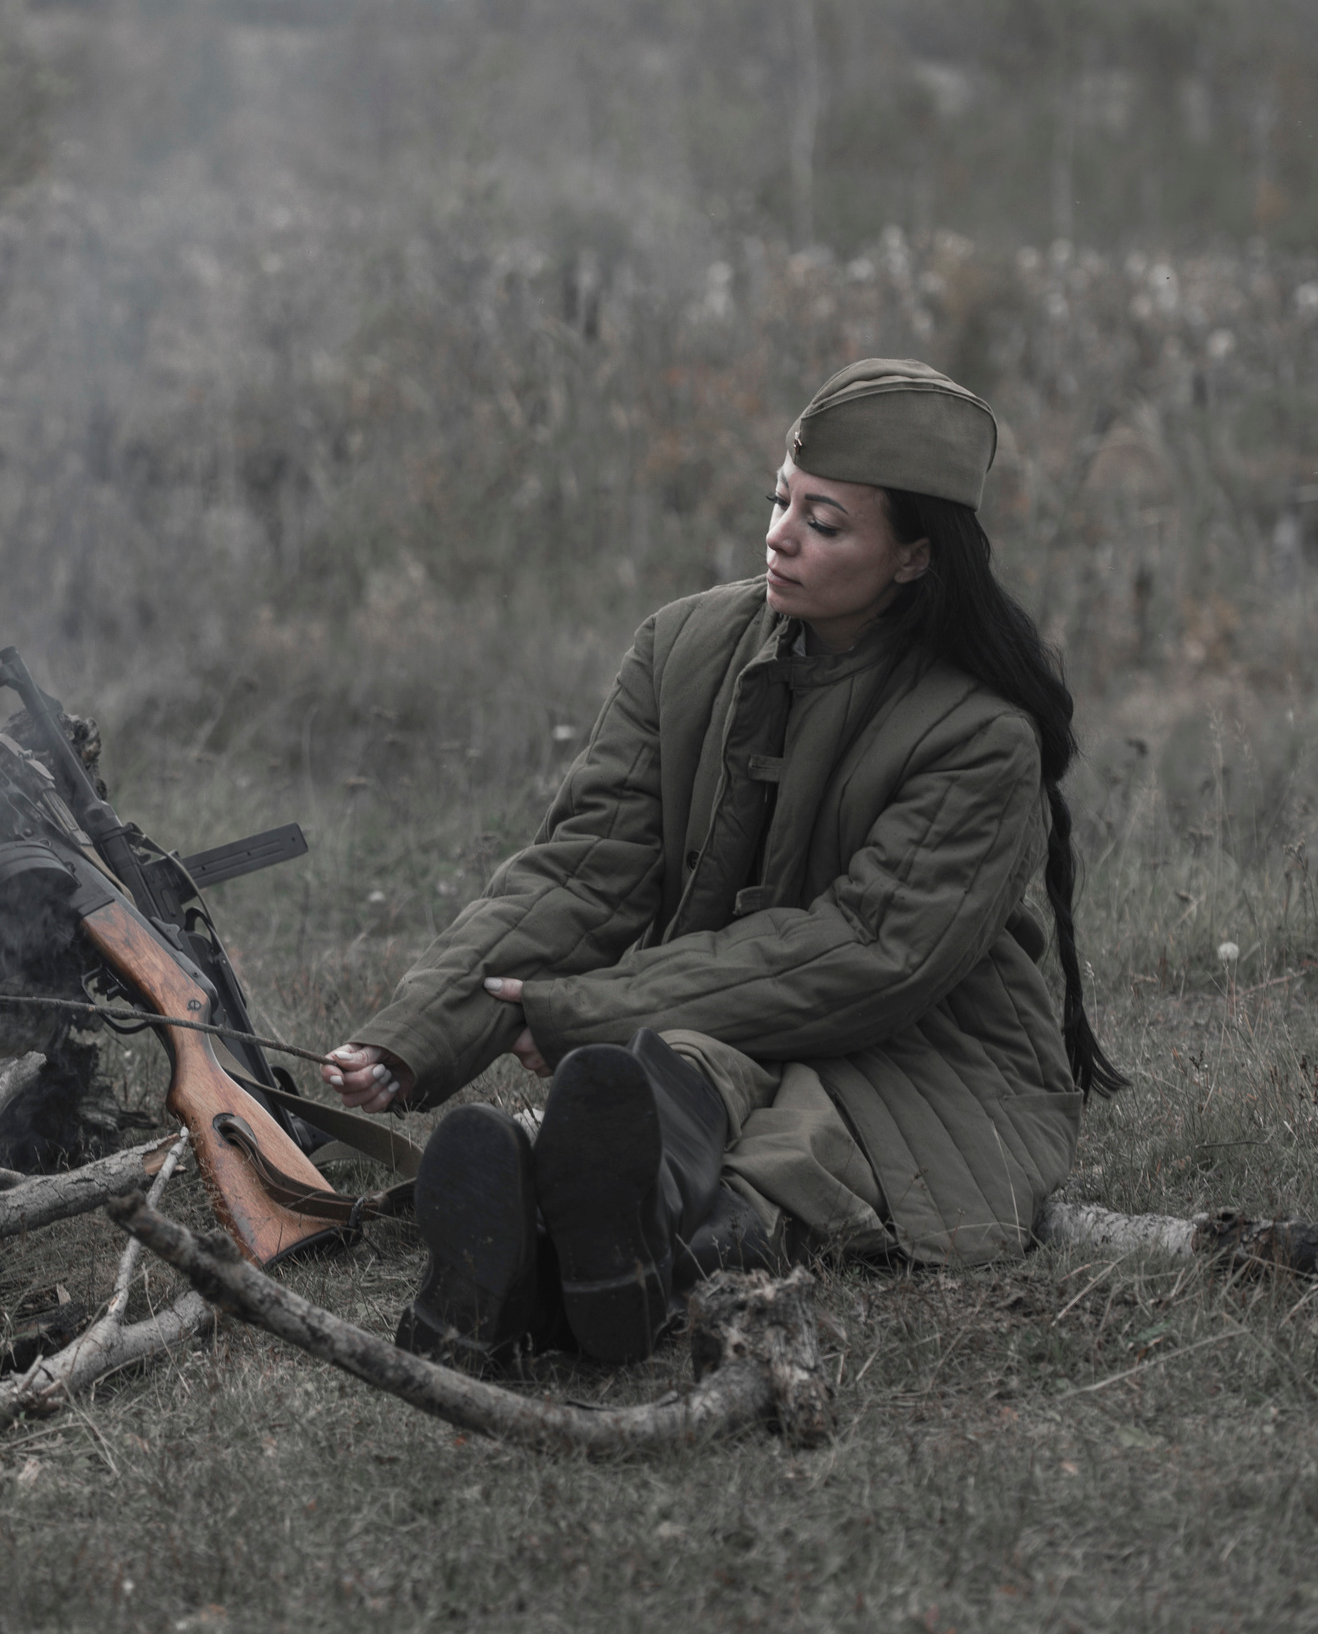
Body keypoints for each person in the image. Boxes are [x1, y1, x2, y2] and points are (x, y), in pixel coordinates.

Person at [323, 357, 1124, 1368]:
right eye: (781, 502)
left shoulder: (978, 733)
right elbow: (584, 872)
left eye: (824, 523)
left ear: (915, 557)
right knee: (665, 1080)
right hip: (713, 1026)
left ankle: (543, 1283)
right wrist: (416, 1035)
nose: (780, 536)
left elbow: (869, 954)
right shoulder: (682, 647)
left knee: (789, 1153)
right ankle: (577, 1267)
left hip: (916, 1054)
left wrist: (592, 1007)